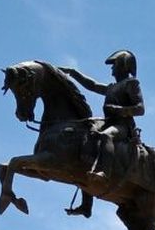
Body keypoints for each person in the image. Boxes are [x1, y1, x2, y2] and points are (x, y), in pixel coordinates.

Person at [61, 49, 145, 215]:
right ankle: (86, 205)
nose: (112, 70)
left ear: (123, 66)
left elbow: (140, 109)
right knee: (85, 138)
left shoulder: (131, 84)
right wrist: (73, 73)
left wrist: (118, 110)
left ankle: (104, 173)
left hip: (123, 126)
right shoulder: (112, 87)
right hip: (109, 122)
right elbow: (92, 85)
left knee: (106, 136)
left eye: (114, 66)